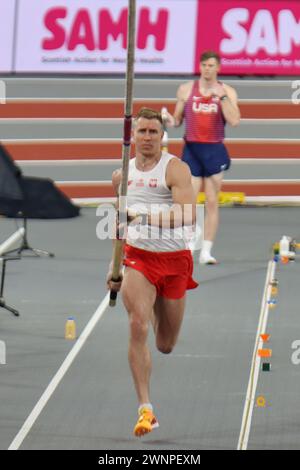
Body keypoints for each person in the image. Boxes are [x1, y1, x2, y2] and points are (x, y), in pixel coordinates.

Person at [106, 108, 198, 437]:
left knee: (165, 344)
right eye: (142, 132)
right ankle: (146, 408)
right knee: (136, 323)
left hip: (174, 260)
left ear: (162, 137)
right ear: (134, 137)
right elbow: (118, 225)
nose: (147, 137)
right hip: (139, 259)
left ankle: (156, 304)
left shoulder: (175, 168)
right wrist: (114, 266)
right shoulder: (121, 177)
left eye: (153, 133)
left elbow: (186, 215)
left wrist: (141, 216)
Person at [163, 50, 240, 264]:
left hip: (214, 149)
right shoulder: (186, 90)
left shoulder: (228, 91)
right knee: (189, 200)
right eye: (204, 65)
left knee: (212, 201)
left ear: (218, 68)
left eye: (211, 65)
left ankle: (206, 250)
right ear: (200, 66)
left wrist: (222, 98)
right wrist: (167, 118)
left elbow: (234, 121)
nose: (208, 69)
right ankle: (188, 246)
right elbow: (177, 121)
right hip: (192, 149)